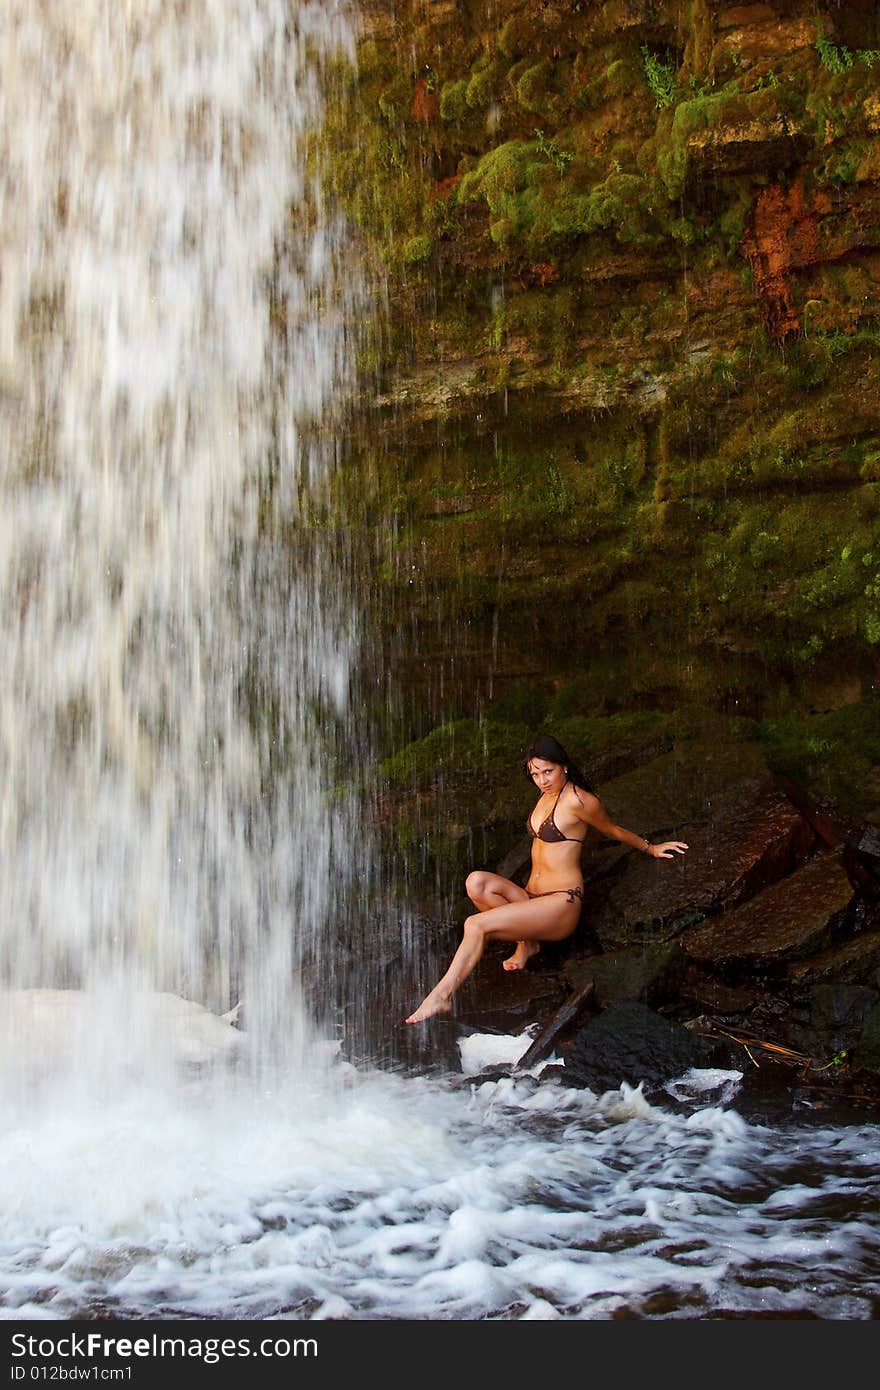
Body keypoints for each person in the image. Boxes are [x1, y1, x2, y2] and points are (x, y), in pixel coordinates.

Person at [405, 732, 688, 1024]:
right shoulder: (544, 795)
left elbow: (612, 830)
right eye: (536, 774)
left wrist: (651, 848)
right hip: (531, 896)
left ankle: (441, 996)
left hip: (561, 902)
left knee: (475, 924)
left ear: (563, 765)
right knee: (475, 881)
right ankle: (527, 943)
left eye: (548, 771)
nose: (542, 780)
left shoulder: (580, 800)